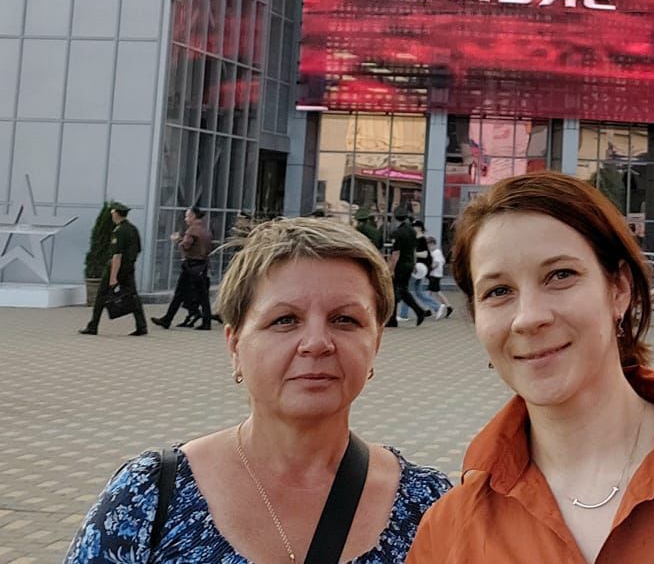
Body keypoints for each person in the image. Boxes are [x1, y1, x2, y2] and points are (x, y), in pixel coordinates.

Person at [66, 217, 450, 563]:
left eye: (345, 319)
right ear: (235, 345)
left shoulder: (431, 506)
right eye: (285, 320)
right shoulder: (149, 497)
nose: (317, 343)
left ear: (375, 343)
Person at [407, 173, 654, 564]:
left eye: (560, 275)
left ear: (619, 289)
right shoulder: (450, 528)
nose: (528, 318)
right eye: (499, 291)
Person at [79, 202, 147, 336]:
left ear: (116, 214)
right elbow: (138, 249)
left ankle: (93, 326)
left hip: (116, 268)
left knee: (101, 296)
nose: (112, 216)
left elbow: (117, 256)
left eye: (112, 213)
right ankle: (141, 325)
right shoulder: (133, 229)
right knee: (133, 296)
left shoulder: (119, 231)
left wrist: (113, 277)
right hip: (129, 268)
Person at [152, 207, 215, 331]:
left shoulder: (192, 230)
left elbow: (186, 246)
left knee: (179, 294)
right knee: (203, 296)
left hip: (190, 266)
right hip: (202, 265)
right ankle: (206, 321)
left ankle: (167, 319)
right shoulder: (206, 230)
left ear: (193, 216)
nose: (185, 219)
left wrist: (177, 241)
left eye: (187, 216)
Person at [387, 214, 427, 327]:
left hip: (400, 266)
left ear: (396, 220)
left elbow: (396, 253)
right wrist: (414, 264)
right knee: (401, 290)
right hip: (409, 264)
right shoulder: (412, 231)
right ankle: (393, 319)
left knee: (397, 291)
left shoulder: (398, 233)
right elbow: (413, 250)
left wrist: (391, 269)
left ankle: (418, 311)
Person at [426, 236, 453, 319]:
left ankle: (447, 307)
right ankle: (429, 309)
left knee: (436, 292)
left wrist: (429, 269)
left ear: (432, 244)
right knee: (432, 292)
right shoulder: (438, 252)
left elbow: (436, 263)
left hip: (435, 275)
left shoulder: (436, 252)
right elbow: (443, 261)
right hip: (436, 275)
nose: (428, 247)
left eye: (428, 245)